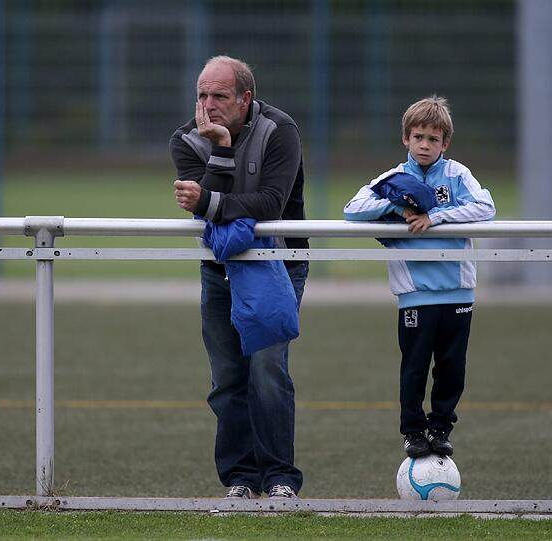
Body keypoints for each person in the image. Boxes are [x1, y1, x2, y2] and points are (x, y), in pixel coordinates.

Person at [169, 56, 308, 499]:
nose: (208, 105)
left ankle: (281, 478)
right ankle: (241, 479)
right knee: (227, 375)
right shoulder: (185, 139)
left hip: (277, 263)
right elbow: (205, 214)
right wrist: (222, 149)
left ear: (246, 98)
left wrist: (210, 199)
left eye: (220, 96)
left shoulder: (280, 130)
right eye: (202, 95)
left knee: (266, 369)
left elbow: (269, 203)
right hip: (220, 268)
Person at [343, 95, 495, 459]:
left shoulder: (458, 175)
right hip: (415, 294)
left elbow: (486, 206)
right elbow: (353, 209)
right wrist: (397, 204)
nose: (425, 145)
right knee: (413, 368)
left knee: (451, 368)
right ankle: (413, 431)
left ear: (445, 143)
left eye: (433, 139)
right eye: (418, 137)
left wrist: (436, 215)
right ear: (406, 139)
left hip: (458, 292)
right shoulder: (393, 179)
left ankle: (441, 427)